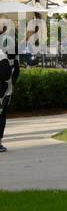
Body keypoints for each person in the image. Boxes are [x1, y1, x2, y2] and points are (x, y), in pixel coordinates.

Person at [0, 22, 18, 154]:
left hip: (5, 84)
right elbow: (15, 66)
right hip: (5, 85)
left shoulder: (7, 42)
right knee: (2, 115)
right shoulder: (10, 41)